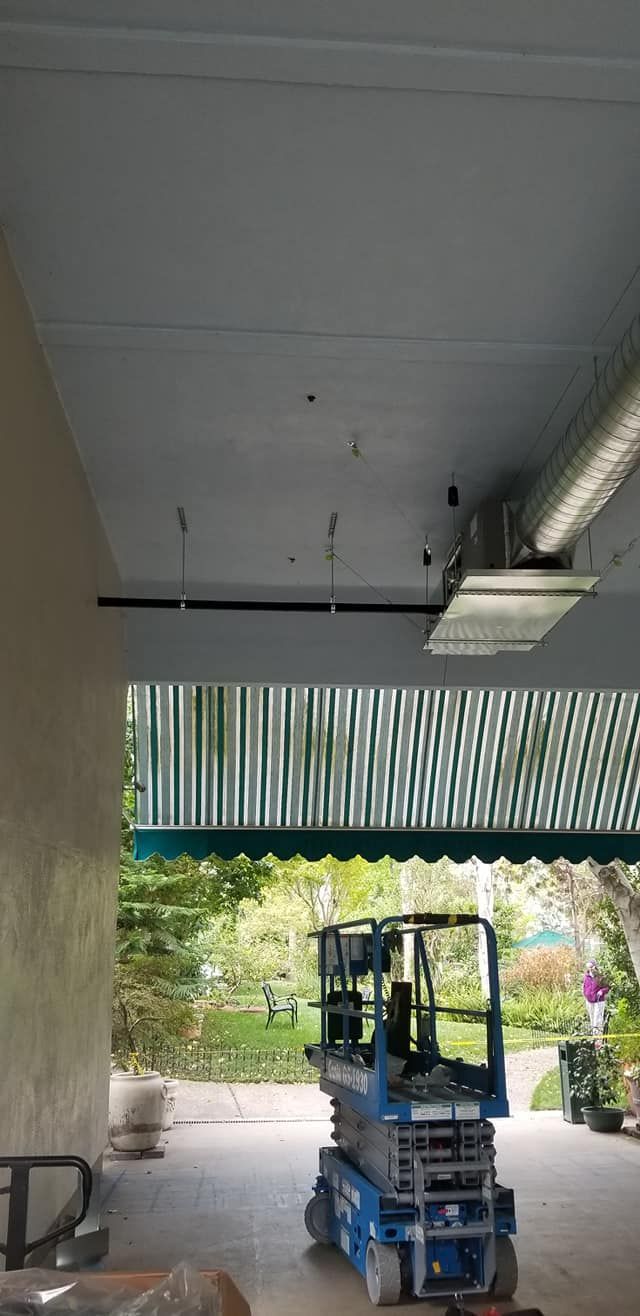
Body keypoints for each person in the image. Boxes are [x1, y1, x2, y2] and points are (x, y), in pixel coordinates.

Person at [582, 960, 610, 1035]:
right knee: (592, 1018)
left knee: (597, 1018)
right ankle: (593, 1036)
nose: (590, 969)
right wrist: (585, 994)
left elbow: (607, 987)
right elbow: (584, 986)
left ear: (595, 966)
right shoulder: (586, 976)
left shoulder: (600, 976)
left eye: (591, 967)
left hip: (599, 1001)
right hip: (589, 1001)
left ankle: (598, 1036)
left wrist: (602, 991)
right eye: (588, 967)